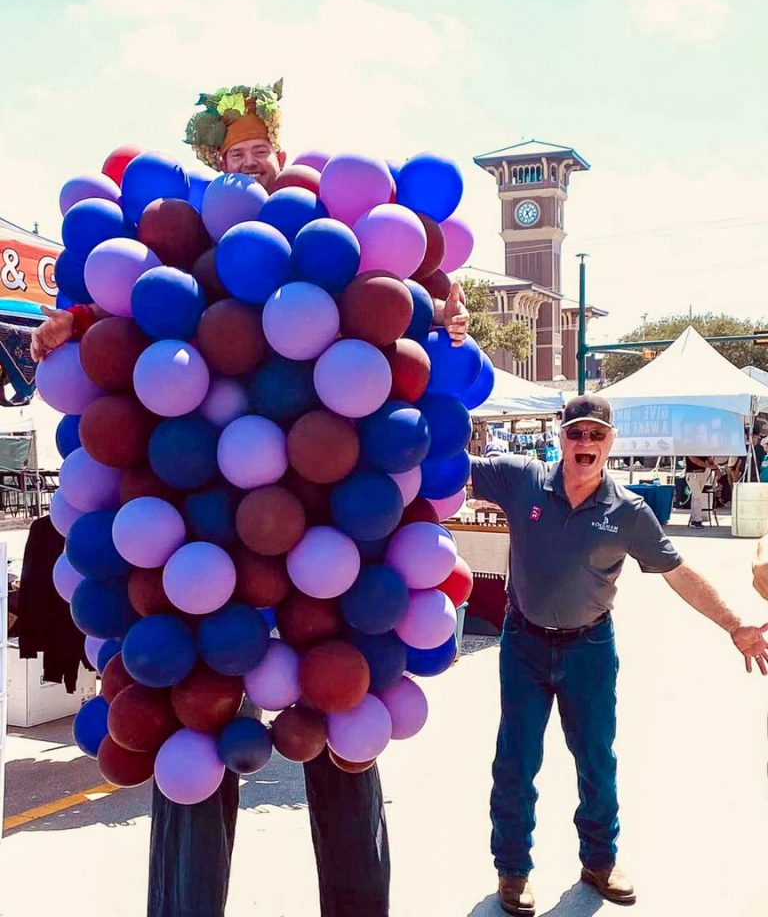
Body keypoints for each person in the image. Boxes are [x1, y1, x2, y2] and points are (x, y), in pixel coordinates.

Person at [32, 81, 470, 917]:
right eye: (231, 155)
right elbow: (134, 304)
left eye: (257, 148)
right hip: (193, 518)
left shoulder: (329, 230)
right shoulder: (186, 232)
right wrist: (77, 320)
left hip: (334, 512)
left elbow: (408, 304)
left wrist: (444, 315)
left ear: (280, 147)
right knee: (190, 719)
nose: (247, 162)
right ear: (214, 164)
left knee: (341, 707)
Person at [470, 394, 768, 916]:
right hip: (524, 644)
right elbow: (449, 461)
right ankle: (513, 871)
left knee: (596, 761)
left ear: (611, 442)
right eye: (576, 433)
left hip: (589, 647)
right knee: (516, 761)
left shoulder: (628, 511)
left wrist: (735, 624)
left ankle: (600, 861)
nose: (584, 444)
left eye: (595, 435)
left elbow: (678, 572)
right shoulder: (522, 480)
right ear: (560, 437)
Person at [684, 453, 718, 528]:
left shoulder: (703, 449)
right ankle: (697, 520)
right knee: (697, 496)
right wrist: (710, 466)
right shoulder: (688, 448)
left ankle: (694, 519)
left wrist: (716, 467)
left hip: (702, 474)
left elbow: (709, 459)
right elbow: (695, 460)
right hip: (692, 474)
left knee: (695, 497)